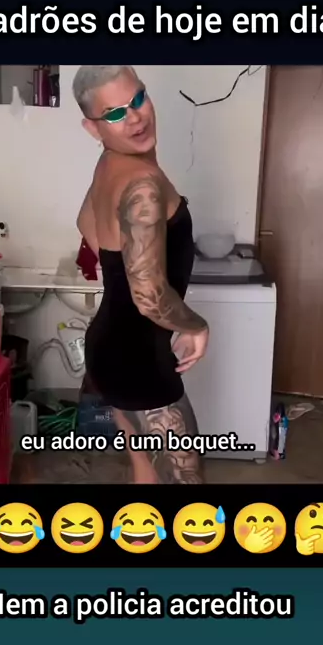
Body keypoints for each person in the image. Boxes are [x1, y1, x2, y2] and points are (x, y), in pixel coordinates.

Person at [73, 66, 209, 484]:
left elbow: (85, 223)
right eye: (114, 113)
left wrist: (122, 270)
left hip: (111, 348)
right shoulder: (143, 187)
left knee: (145, 470)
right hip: (138, 364)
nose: (135, 117)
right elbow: (148, 295)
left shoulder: (109, 163)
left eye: (137, 99)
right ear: (92, 128)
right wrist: (195, 325)